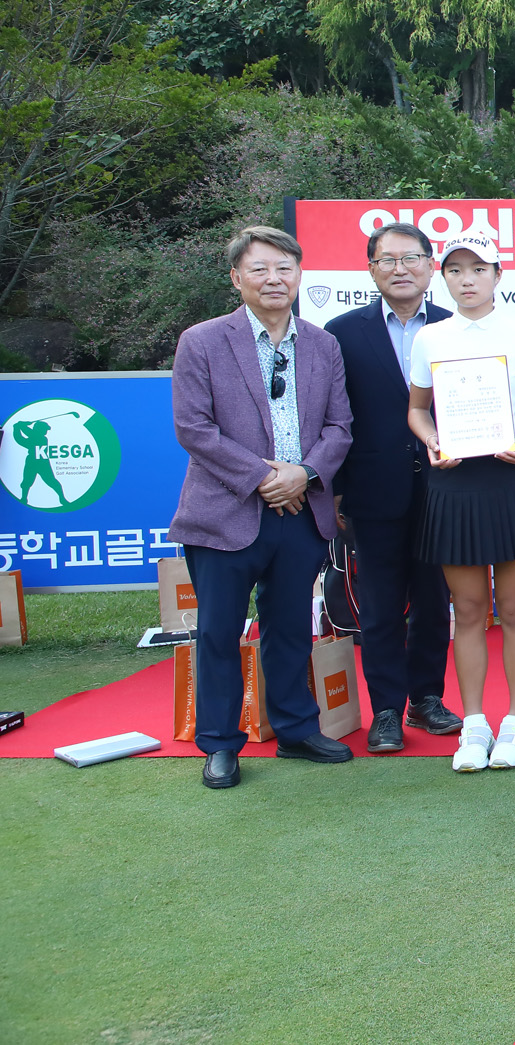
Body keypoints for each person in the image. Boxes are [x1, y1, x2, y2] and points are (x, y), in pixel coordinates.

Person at [170, 225, 354, 790]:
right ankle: (221, 744)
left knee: (291, 626)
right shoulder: (202, 341)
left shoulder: (322, 344)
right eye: (260, 269)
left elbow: (339, 426)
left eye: (284, 269)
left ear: (300, 276)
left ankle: (297, 729)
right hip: (225, 514)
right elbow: (193, 428)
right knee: (219, 632)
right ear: (237, 278)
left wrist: (304, 474)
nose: (274, 279)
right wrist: (263, 479)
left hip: (302, 511)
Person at [406, 231, 515, 773]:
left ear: (499, 275)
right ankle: (474, 723)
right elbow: (418, 410)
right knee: (468, 611)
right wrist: (431, 443)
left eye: (477, 269)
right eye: (455, 271)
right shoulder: (429, 338)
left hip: (510, 480)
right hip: (453, 483)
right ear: (441, 277)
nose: (466, 279)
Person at [325, 220, 463, 754]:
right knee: (380, 603)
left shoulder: (458, 328)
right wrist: (334, 488)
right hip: (372, 487)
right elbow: (329, 416)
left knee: (434, 599)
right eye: (388, 260)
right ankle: (385, 709)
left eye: (412, 259)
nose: (400, 269)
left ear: (432, 268)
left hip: (445, 486)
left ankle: (426, 698)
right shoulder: (340, 333)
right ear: (371, 270)